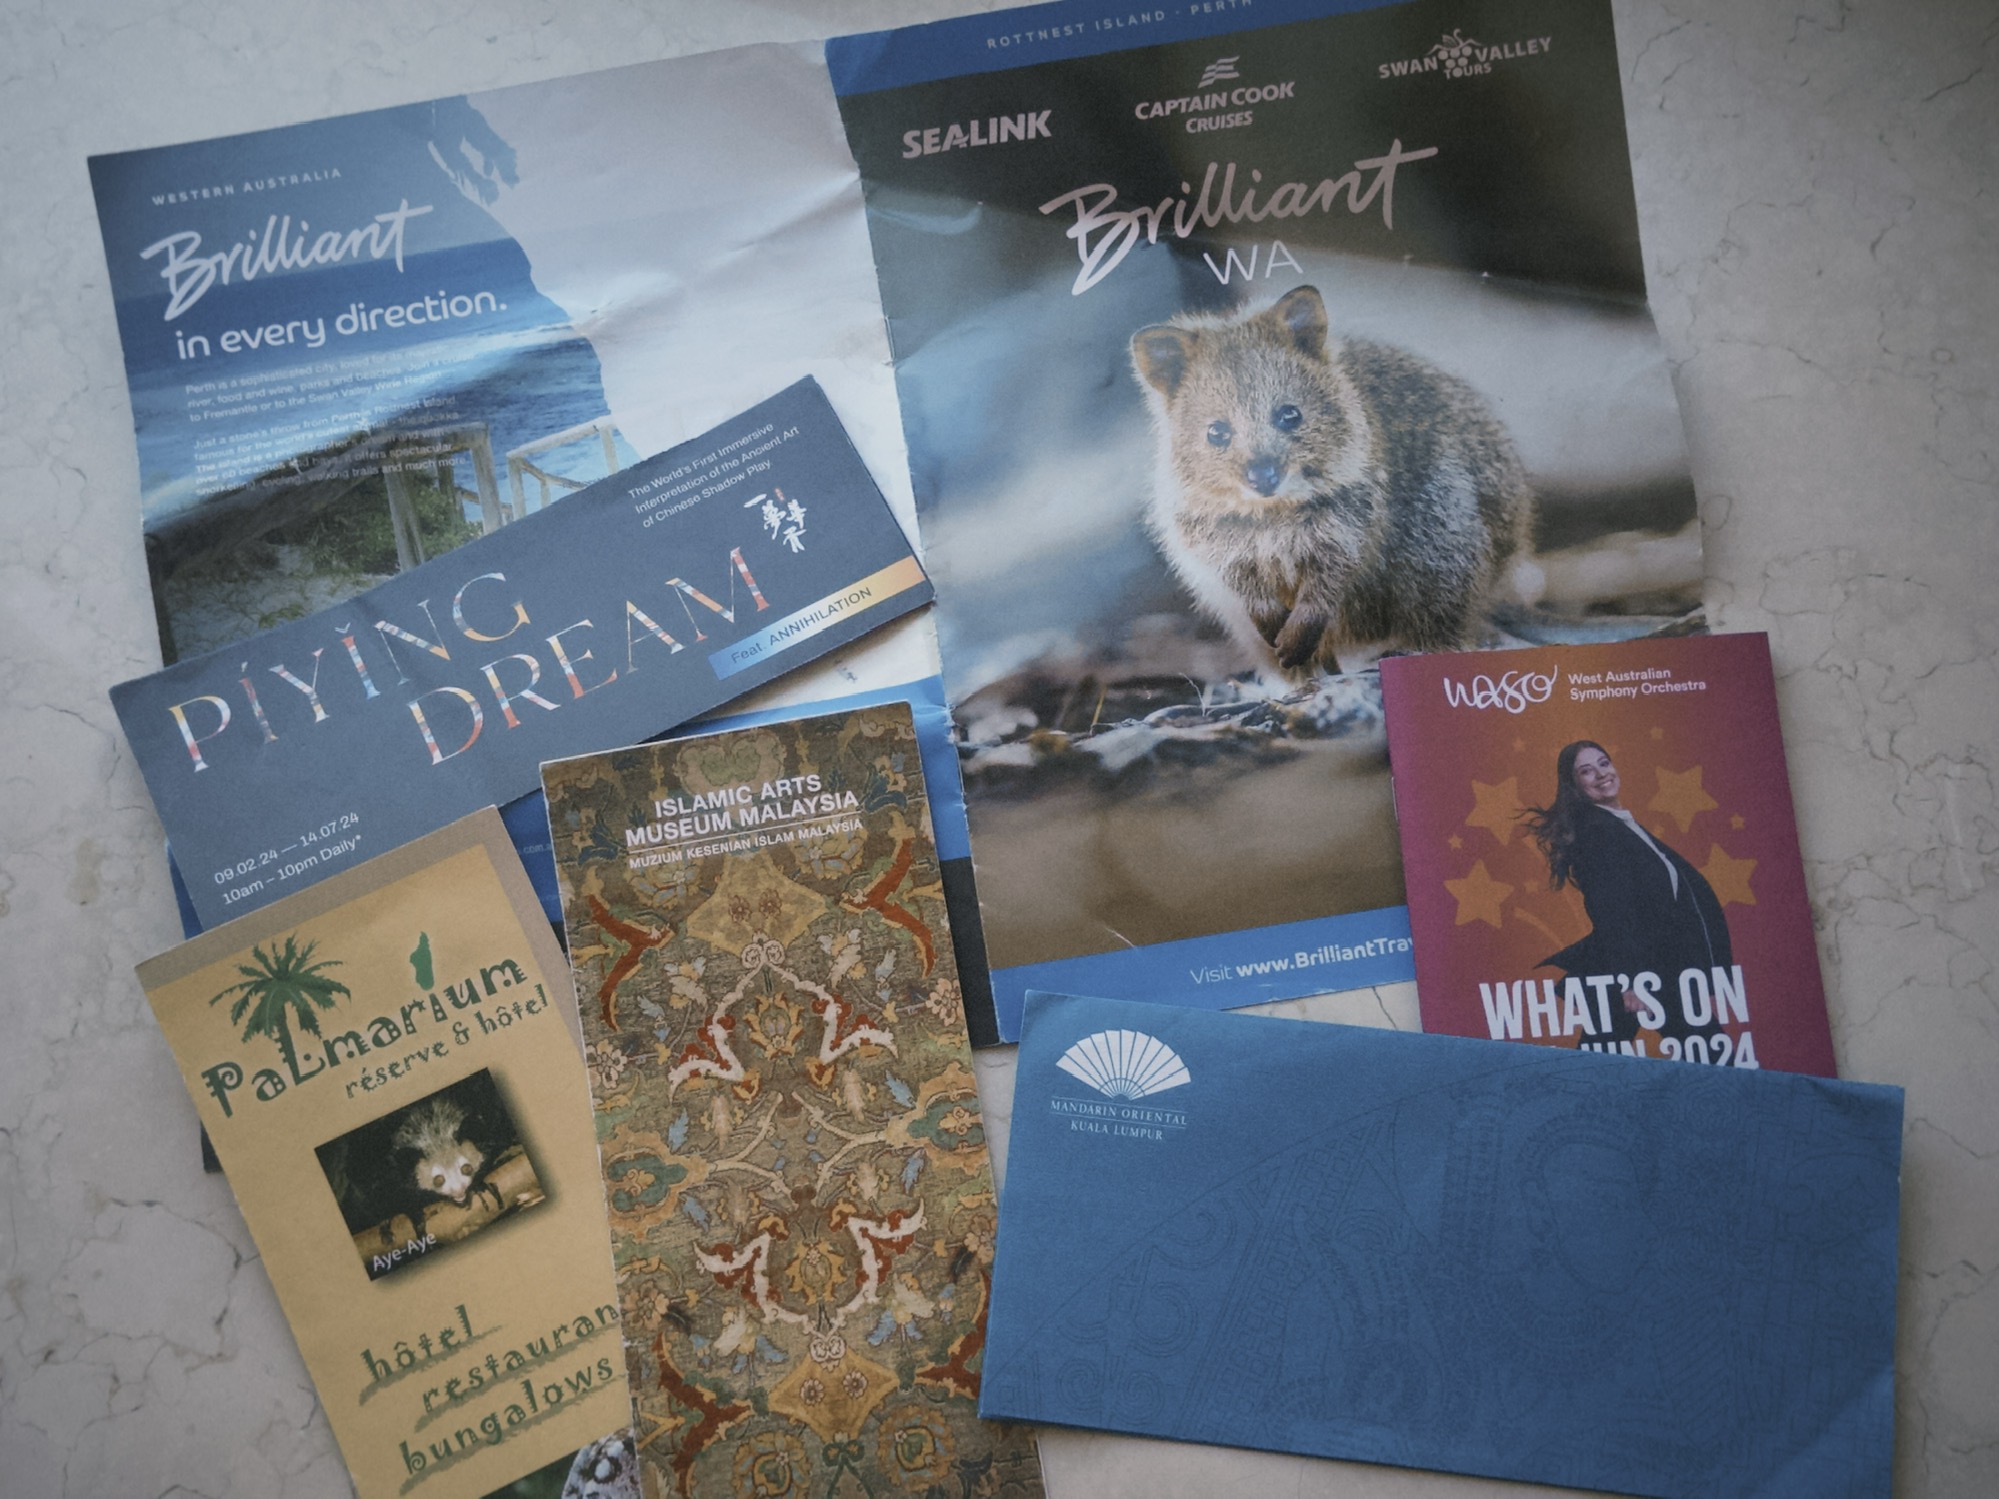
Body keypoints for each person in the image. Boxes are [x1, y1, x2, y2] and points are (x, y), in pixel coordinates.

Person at [1523, 740, 1733, 1047]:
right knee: (1712, 1054)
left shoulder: (1619, 825)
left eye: (1604, 763)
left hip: (1655, 968)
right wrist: (1631, 980)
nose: (1601, 774)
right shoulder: (1597, 832)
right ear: (1574, 785)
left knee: (1602, 1056)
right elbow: (1612, 910)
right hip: (1645, 973)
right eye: (1586, 771)